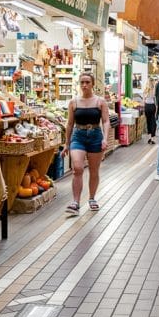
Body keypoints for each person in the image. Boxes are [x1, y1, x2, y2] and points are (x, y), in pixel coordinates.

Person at [65, 73, 111, 216]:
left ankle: (91, 198)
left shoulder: (100, 101)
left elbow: (105, 121)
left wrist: (105, 138)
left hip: (95, 136)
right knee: (77, 168)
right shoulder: (74, 102)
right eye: (82, 82)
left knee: (94, 170)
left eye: (87, 82)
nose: (84, 85)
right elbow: (70, 124)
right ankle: (75, 202)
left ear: (92, 84)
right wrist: (67, 143)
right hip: (78, 136)